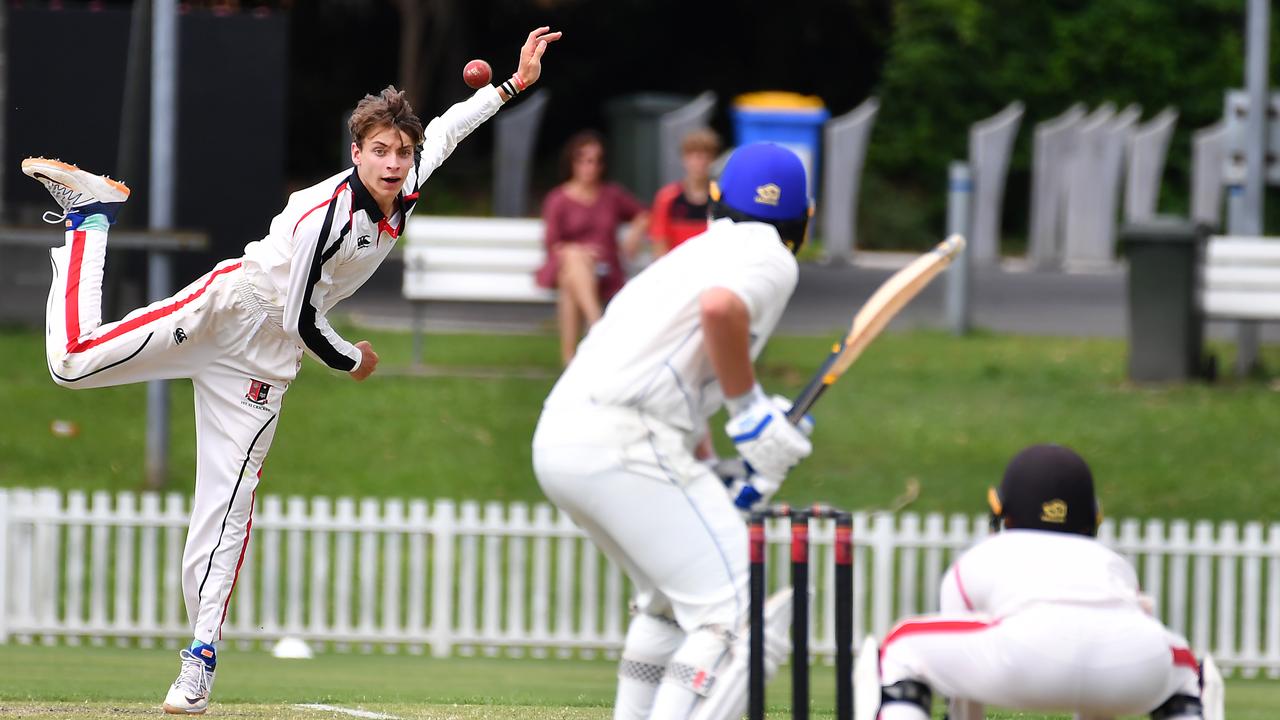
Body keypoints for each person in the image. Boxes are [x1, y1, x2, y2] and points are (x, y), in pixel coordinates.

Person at [22, 26, 560, 716]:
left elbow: (455, 123)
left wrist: (514, 83)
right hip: (229, 310)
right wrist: (353, 359)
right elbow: (304, 316)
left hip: (264, 367)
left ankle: (198, 663)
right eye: (381, 152)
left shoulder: (412, 178)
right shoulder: (321, 215)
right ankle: (92, 215)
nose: (395, 164)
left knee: (227, 509)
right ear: (357, 153)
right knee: (71, 364)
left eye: (402, 152)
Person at [532, 142, 817, 720]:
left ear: (716, 200)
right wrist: (751, 414)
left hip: (564, 437)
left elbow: (680, 370)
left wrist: (718, 466)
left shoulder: (691, 255)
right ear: (804, 220)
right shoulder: (769, 256)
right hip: (627, 441)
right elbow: (720, 311)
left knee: (667, 605)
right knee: (742, 616)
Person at [856, 444, 1223, 720]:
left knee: (902, 645)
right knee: (1186, 670)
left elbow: (963, 688)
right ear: (1093, 517)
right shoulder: (1113, 562)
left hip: (1026, 657)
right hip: (1133, 667)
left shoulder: (984, 554)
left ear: (1002, 511)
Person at [534, 130, 649, 364]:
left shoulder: (612, 195)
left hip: (604, 270)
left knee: (570, 283)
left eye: (596, 161)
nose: (591, 166)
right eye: (584, 160)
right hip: (569, 263)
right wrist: (580, 252)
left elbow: (644, 213)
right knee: (575, 259)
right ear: (573, 162)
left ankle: (570, 362)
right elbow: (553, 244)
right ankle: (597, 324)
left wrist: (635, 233)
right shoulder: (559, 199)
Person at [648, 128, 720, 258]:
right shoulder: (667, 198)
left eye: (707, 157)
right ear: (685, 159)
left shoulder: (720, 197)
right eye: (696, 157)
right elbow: (659, 244)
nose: (701, 163)